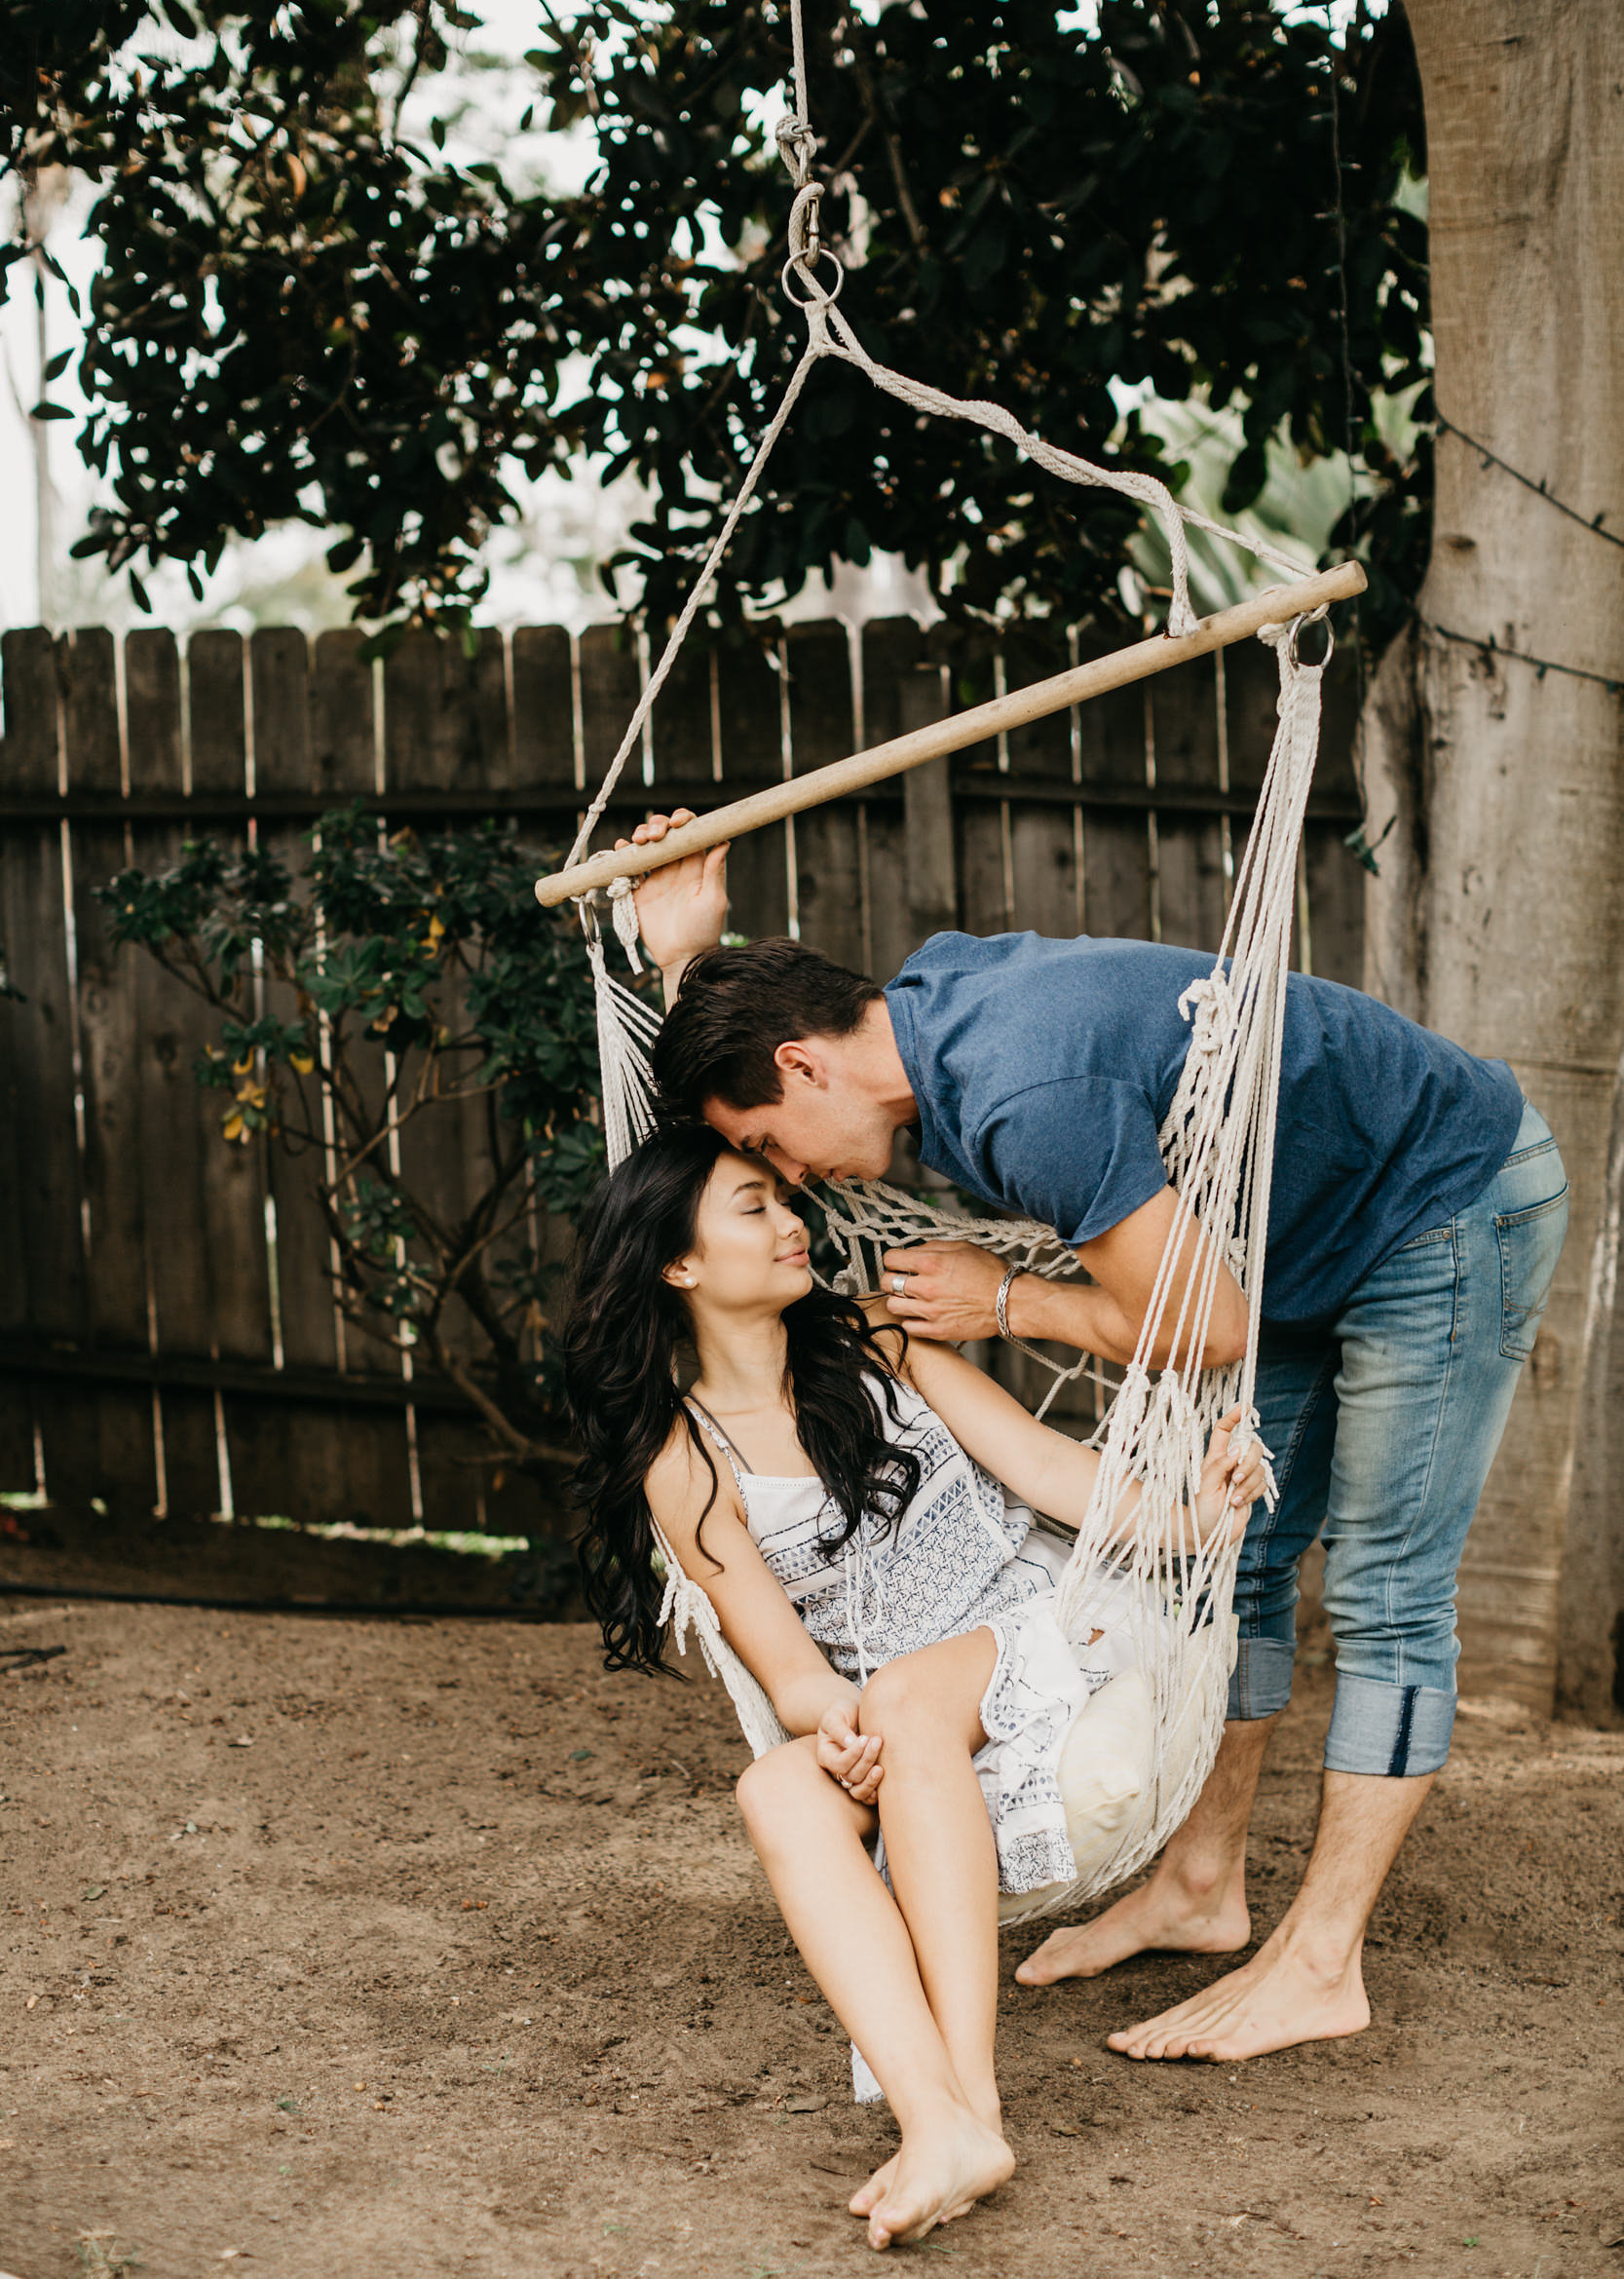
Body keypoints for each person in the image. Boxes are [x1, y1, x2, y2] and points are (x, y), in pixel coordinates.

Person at [620, 809, 1570, 2066]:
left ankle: (1321, 1962)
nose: (786, 1180)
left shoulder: (1020, 1093)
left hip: (1442, 1202)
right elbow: (722, 1130)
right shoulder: (921, 1017)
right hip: (1294, 1233)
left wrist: (1000, 1301)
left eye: (764, 1149)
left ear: (800, 1070)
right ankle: (1201, 1882)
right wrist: (684, 962)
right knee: (1233, 1561)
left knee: (1389, 1594)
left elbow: (1210, 1326)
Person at [563, 1121, 1266, 2250]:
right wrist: (822, 1719)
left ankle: (968, 2108)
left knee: (896, 1696)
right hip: (910, 1711)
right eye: (752, 1208)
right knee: (779, 1793)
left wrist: (1191, 1514)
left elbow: (1045, 1471)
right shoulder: (683, 1458)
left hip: (1053, 1625)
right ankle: (937, 2115)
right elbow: (784, 1662)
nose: (793, 1224)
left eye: (782, 1203)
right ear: (676, 1263)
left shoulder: (876, 1346)